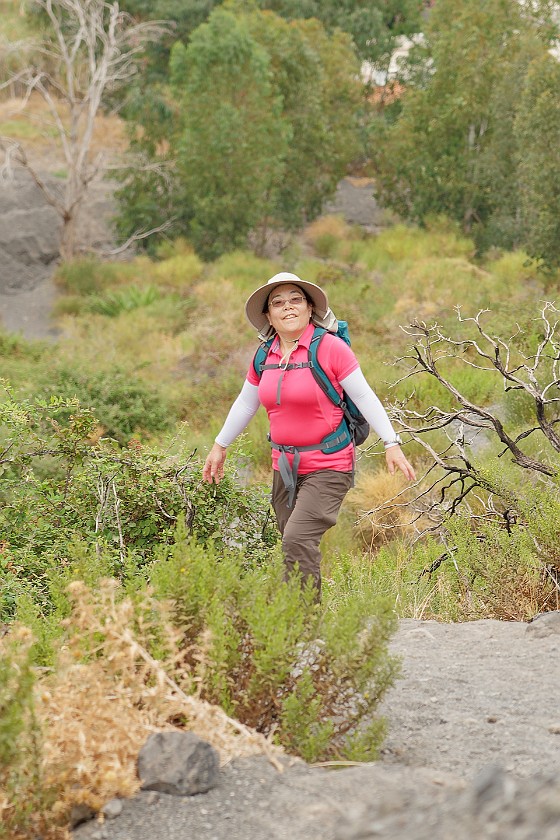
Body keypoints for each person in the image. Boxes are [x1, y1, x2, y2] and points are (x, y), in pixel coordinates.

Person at [202, 272, 415, 598]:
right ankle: (302, 618)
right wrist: (219, 446)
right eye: (278, 302)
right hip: (284, 466)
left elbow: (365, 396)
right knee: (294, 542)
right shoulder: (264, 355)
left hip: (330, 464)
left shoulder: (330, 348)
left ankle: (302, 623)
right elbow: (246, 402)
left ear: (310, 306)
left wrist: (391, 442)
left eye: (295, 299)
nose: (287, 307)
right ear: (268, 315)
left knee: (297, 540)